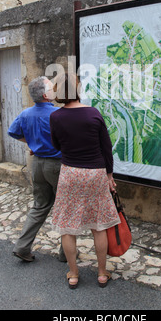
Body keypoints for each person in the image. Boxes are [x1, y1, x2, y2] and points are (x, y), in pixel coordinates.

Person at [50, 73, 120, 289]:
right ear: (77, 90)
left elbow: (56, 146)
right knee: (98, 226)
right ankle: (101, 273)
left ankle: (73, 274)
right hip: (95, 173)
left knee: (67, 227)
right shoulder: (93, 114)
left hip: (70, 173)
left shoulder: (55, 117)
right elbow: (106, 148)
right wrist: (109, 175)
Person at [8, 76, 66, 262]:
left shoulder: (25, 114)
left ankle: (22, 247)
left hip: (38, 165)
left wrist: (32, 144)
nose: (54, 90)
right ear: (45, 95)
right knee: (64, 207)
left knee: (39, 206)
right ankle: (66, 253)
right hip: (56, 165)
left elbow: (13, 132)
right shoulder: (58, 114)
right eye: (51, 88)